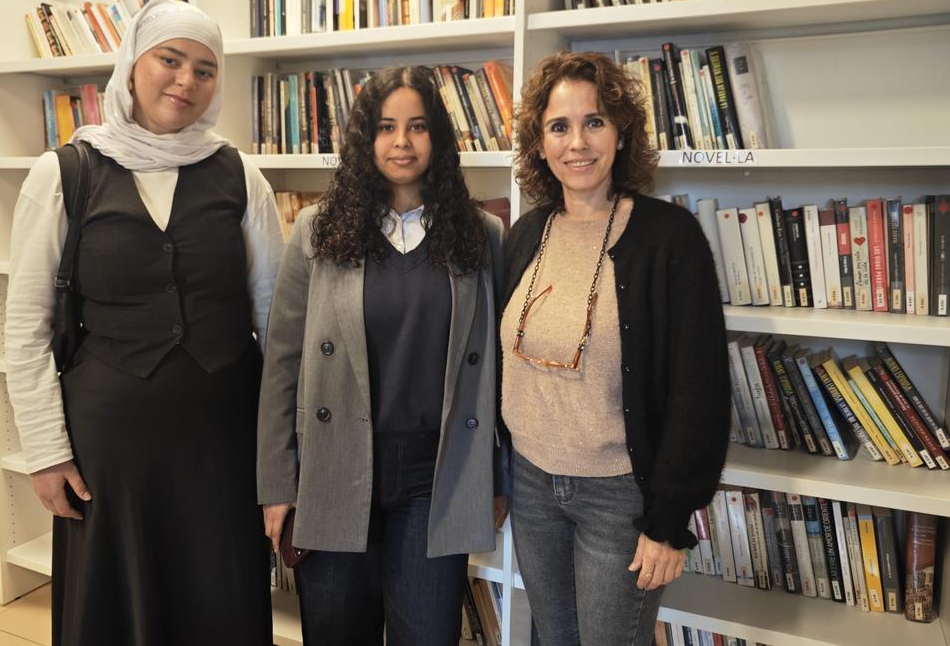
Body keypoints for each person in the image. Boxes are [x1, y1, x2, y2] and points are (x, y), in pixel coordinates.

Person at [4, 0, 283, 645]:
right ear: (133, 64)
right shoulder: (64, 173)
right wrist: (46, 452)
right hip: (110, 452)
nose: (186, 80)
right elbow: (25, 327)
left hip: (222, 443)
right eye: (170, 59)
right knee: (115, 609)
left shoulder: (242, 176)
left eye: (205, 69)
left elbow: (276, 321)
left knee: (219, 602)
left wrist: (280, 454)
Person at [257, 65, 506, 646]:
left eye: (417, 127)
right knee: (339, 633)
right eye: (387, 127)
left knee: (428, 634)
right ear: (363, 138)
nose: (401, 142)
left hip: (434, 478)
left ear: (438, 138)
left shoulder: (481, 235)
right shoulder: (317, 233)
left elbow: (494, 374)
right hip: (334, 468)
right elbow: (282, 365)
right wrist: (277, 483)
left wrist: (495, 479)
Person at [501, 50, 731, 646]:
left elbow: (698, 390)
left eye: (594, 121)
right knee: (554, 639)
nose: (577, 142)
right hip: (531, 484)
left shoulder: (669, 238)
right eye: (559, 126)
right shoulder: (527, 232)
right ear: (540, 143)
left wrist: (668, 519)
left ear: (621, 131)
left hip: (618, 499)